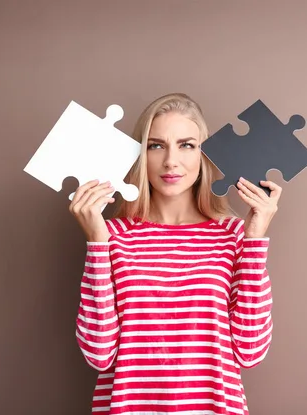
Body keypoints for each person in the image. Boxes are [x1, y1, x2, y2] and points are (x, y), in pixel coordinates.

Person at [70, 92, 282, 415]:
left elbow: (250, 352)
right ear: (141, 155)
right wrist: (97, 243)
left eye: (186, 145)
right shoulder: (112, 237)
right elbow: (99, 354)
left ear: (204, 153)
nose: (171, 161)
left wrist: (254, 239)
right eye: (156, 145)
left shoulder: (234, 236)